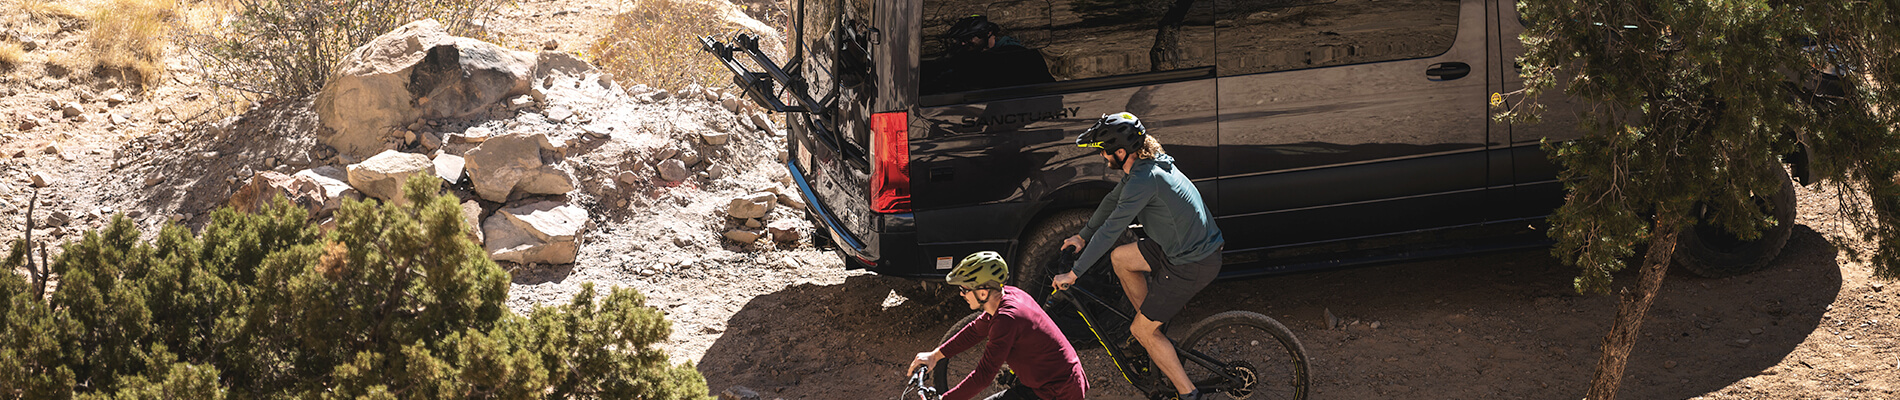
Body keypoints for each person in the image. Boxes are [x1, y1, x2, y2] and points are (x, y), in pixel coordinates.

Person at [1050, 112, 1224, 400]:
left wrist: (1074, 272)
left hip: (1192, 261)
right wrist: (1082, 235)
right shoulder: (1144, 167)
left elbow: (1111, 229)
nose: (1103, 157)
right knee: (1121, 258)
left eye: (1105, 151)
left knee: (1141, 330)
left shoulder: (1144, 180)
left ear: (1120, 152)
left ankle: (1188, 393)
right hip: (1179, 247)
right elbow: (1111, 202)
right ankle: (1153, 336)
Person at [907, 251, 1088, 400]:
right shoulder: (1008, 294)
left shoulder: (1006, 320)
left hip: (1058, 392)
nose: (961, 294)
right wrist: (935, 355)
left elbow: (984, 375)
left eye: (964, 289)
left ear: (983, 292)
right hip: (1045, 385)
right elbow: (974, 331)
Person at [921, 14, 1057, 94]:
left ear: (987, 34)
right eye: (960, 40)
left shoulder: (1014, 55)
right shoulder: (971, 55)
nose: (963, 43)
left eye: (968, 39)